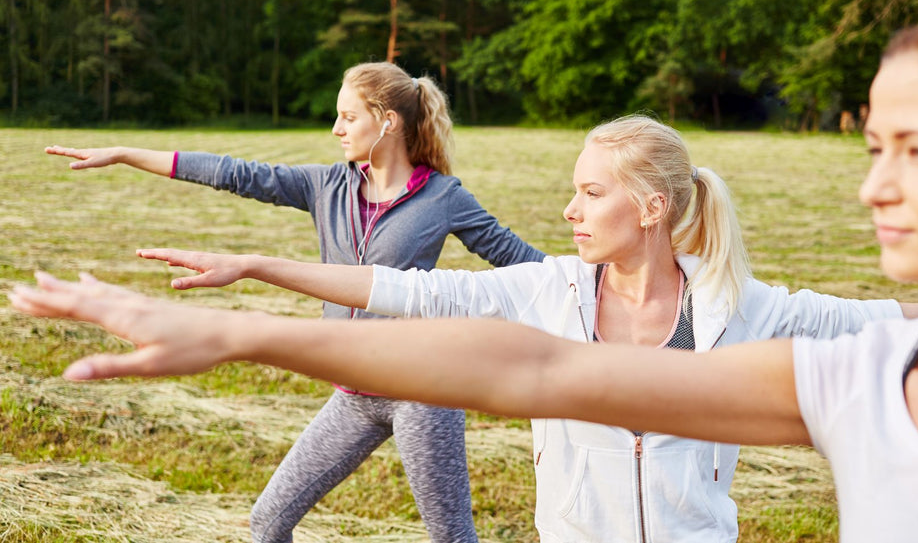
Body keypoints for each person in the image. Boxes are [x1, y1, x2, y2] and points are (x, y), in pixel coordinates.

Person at [19, 3, 918, 541]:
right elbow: (502, 348)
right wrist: (248, 297)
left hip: (433, 397)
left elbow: (496, 316)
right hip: (392, 404)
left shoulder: (776, 325)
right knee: (270, 513)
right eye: (872, 148)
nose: (872, 188)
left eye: (917, 150)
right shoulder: (862, 382)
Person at [126, 114, 918, 542]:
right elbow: (405, 291)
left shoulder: (742, 306)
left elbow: (887, 322)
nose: (570, 212)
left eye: (591, 193)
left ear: (652, 208)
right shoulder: (550, 293)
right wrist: (258, 265)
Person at [43, 62, 546, 543]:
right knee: (267, 522)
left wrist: (601, 282)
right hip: (353, 390)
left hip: (423, 387)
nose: (336, 129)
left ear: (388, 121)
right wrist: (128, 153)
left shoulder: (444, 197)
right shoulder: (325, 185)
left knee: (453, 537)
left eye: (348, 116)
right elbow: (233, 173)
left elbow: (523, 263)